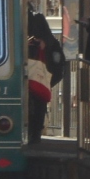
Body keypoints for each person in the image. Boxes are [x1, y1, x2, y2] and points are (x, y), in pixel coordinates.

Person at [26, 9, 63, 143]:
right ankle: (36, 133)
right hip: (41, 79)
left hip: (30, 76)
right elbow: (58, 65)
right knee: (39, 105)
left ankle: (32, 131)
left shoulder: (30, 41)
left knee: (33, 104)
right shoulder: (51, 41)